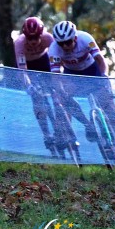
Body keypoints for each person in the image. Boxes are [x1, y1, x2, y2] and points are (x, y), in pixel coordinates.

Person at [48, 20, 115, 166]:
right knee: (61, 96)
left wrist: (103, 76)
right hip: (73, 75)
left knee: (109, 107)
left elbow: (101, 61)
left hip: (93, 71)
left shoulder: (85, 39)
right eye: (61, 43)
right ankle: (88, 124)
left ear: (75, 38)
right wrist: (61, 91)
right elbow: (55, 76)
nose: (65, 46)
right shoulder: (53, 50)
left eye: (68, 42)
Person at [14, 17, 84, 154]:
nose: (33, 42)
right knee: (37, 98)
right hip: (30, 67)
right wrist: (29, 86)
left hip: (45, 62)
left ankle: (65, 129)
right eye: (30, 38)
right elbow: (22, 70)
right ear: (25, 36)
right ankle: (47, 134)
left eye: (36, 38)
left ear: (41, 34)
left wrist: (60, 80)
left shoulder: (48, 38)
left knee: (59, 94)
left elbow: (58, 59)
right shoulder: (19, 43)